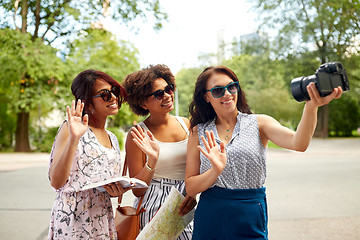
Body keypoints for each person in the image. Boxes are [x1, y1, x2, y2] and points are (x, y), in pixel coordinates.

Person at [185, 66, 343, 239]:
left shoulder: (259, 123)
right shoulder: (197, 132)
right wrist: (215, 171)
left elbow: (299, 143)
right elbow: (191, 186)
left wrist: (311, 107)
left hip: (249, 213)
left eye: (232, 86)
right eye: (217, 90)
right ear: (206, 97)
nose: (227, 94)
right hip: (211, 214)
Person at [48, 70, 130, 239]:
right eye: (105, 95)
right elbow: (56, 182)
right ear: (87, 103)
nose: (114, 97)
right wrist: (74, 138)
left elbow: (105, 183)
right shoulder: (69, 129)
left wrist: (115, 191)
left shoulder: (113, 138)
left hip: (101, 217)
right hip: (73, 218)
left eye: (114, 91)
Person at [123, 64, 197, 239]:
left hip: (186, 201)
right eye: (158, 94)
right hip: (154, 204)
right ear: (143, 103)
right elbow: (137, 191)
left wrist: (192, 193)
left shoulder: (186, 124)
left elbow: (197, 167)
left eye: (168, 89)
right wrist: (152, 161)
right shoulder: (137, 134)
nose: (167, 95)